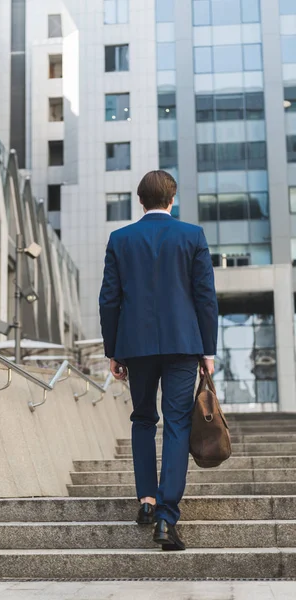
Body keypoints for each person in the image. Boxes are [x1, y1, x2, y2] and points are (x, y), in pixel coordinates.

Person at [99, 170, 218, 551]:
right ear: (173, 198)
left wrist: (113, 350)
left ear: (140, 200)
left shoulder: (120, 239)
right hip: (184, 344)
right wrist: (208, 350)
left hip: (136, 346)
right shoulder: (192, 236)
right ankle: (167, 516)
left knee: (143, 419)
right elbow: (205, 297)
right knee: (178, 423)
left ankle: (146, 500)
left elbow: (109, 300)